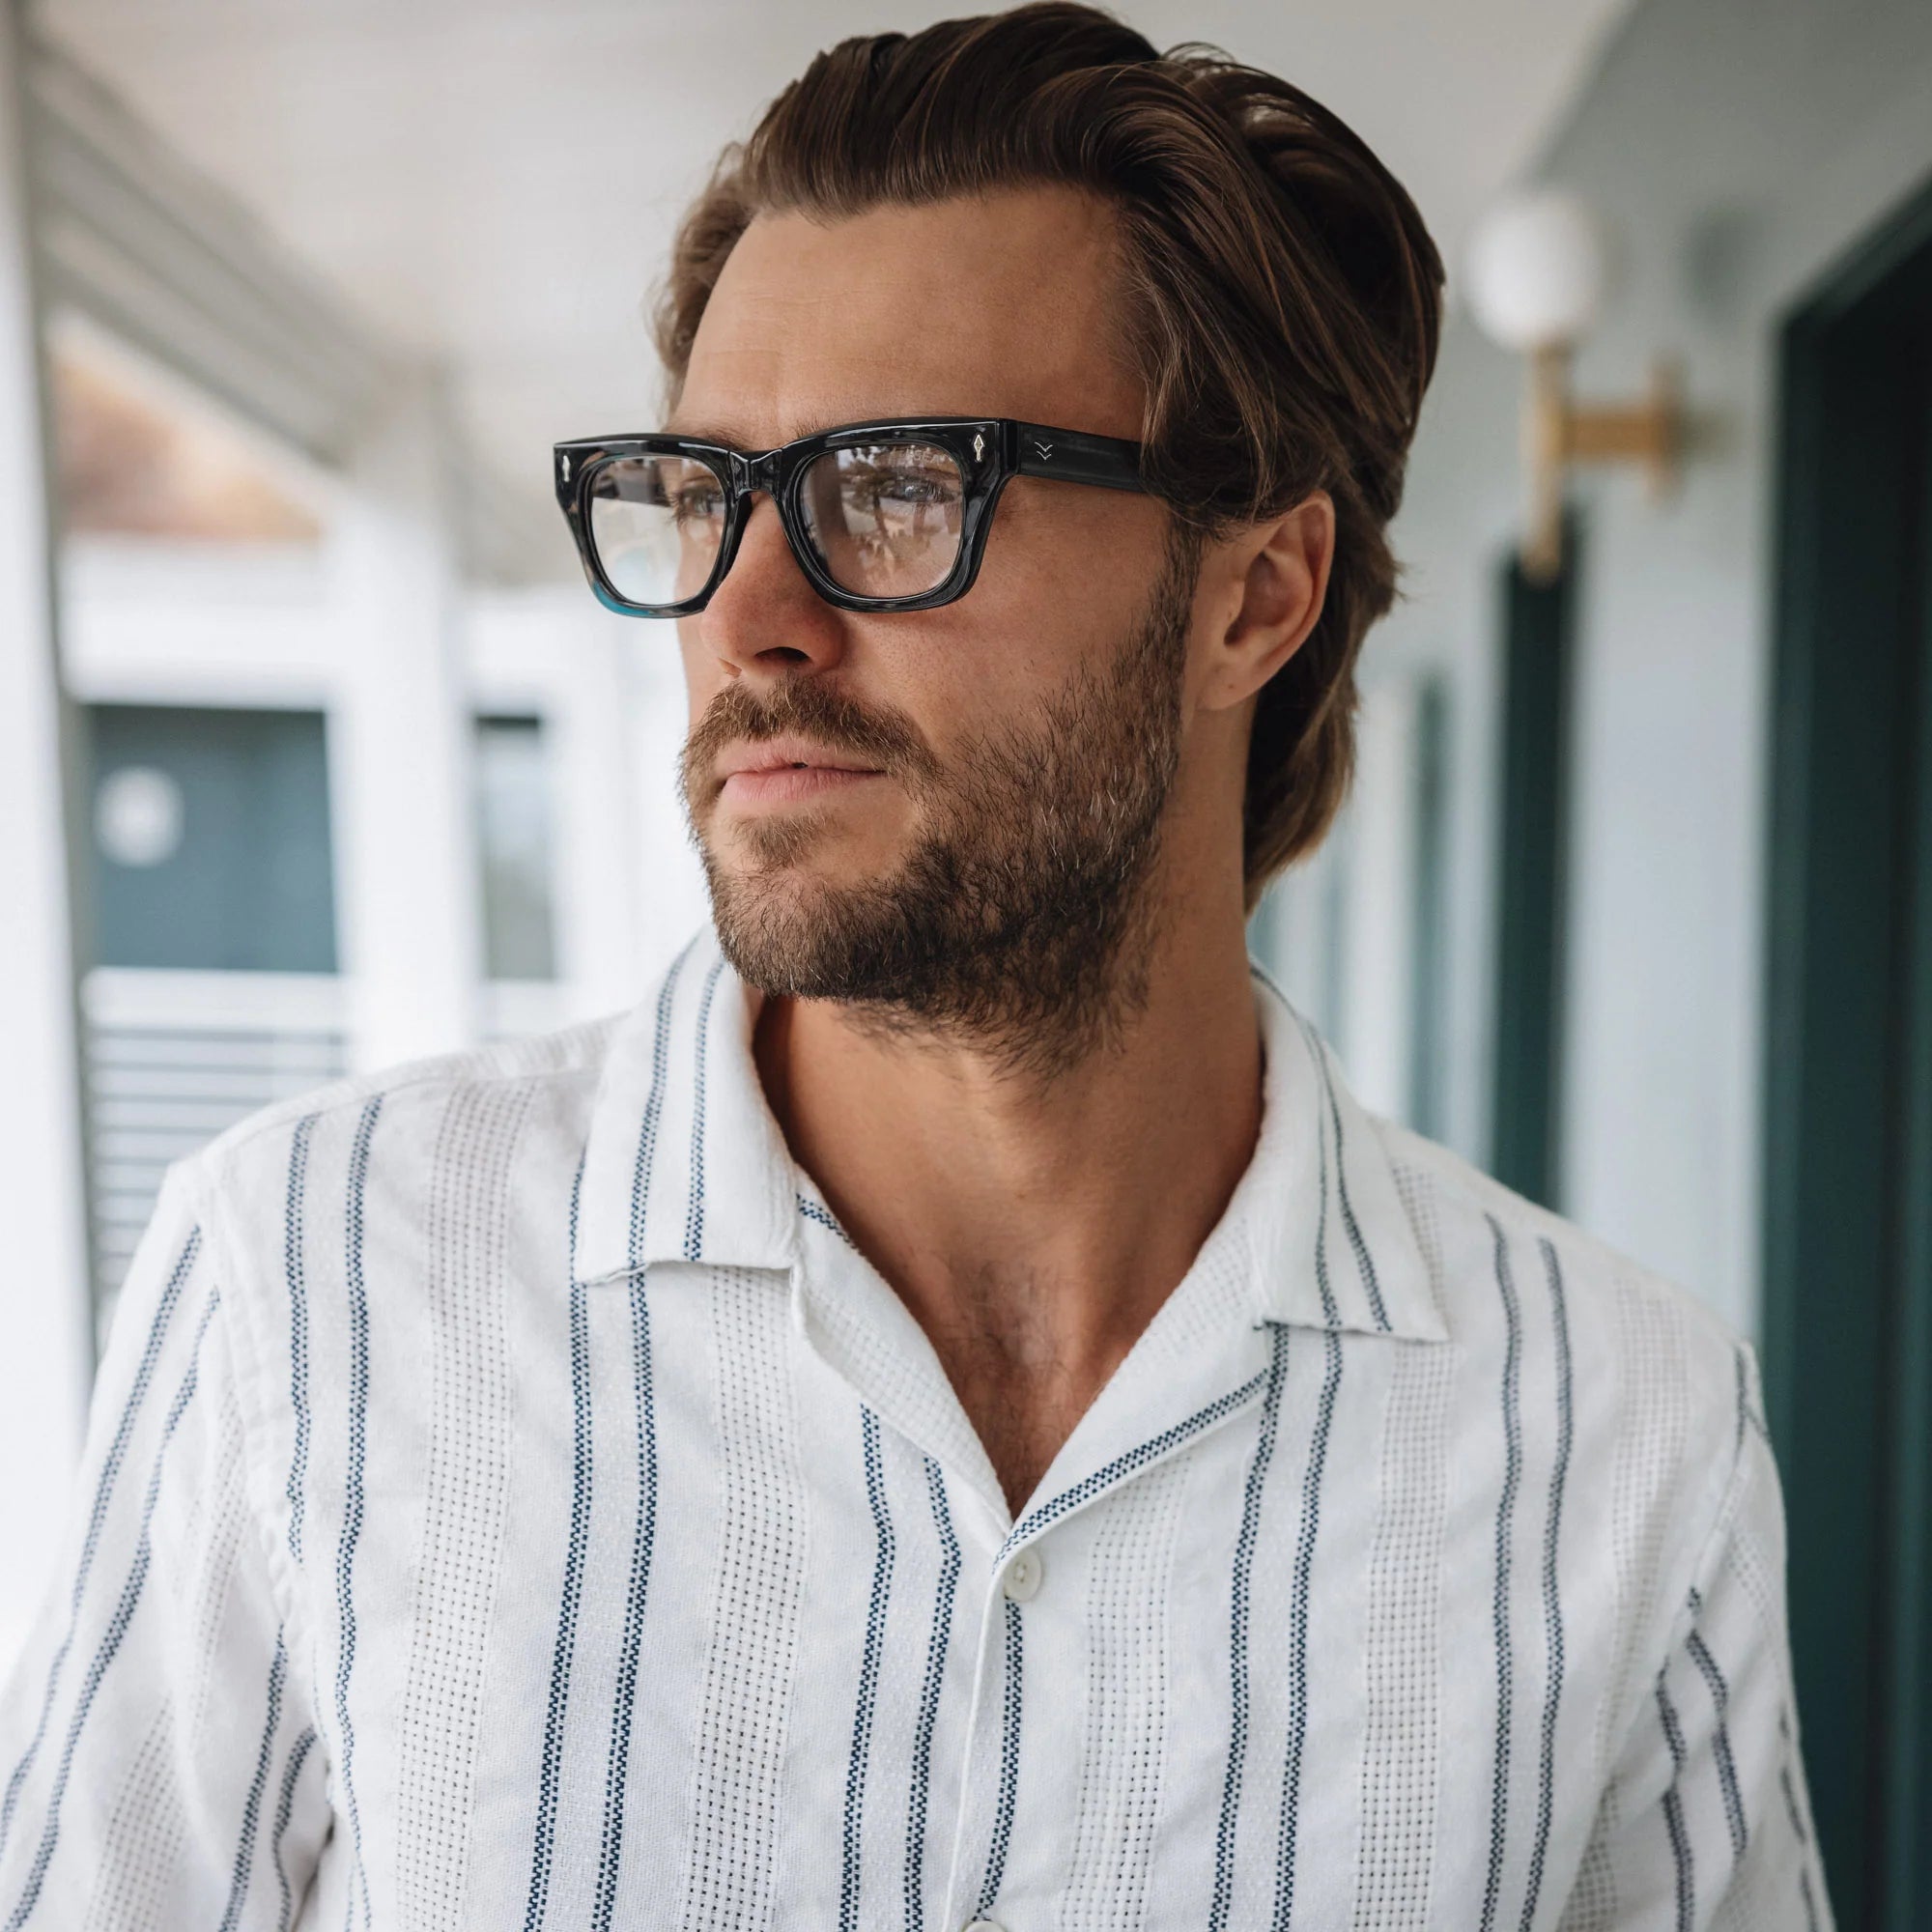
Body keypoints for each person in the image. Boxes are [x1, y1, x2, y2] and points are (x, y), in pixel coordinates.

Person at [0, 7, 1828, 1927]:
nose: (748, 619)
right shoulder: (311, 1299)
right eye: (706, 497)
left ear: (1252, 593)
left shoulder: (1621, 1439)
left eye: (900, 487)